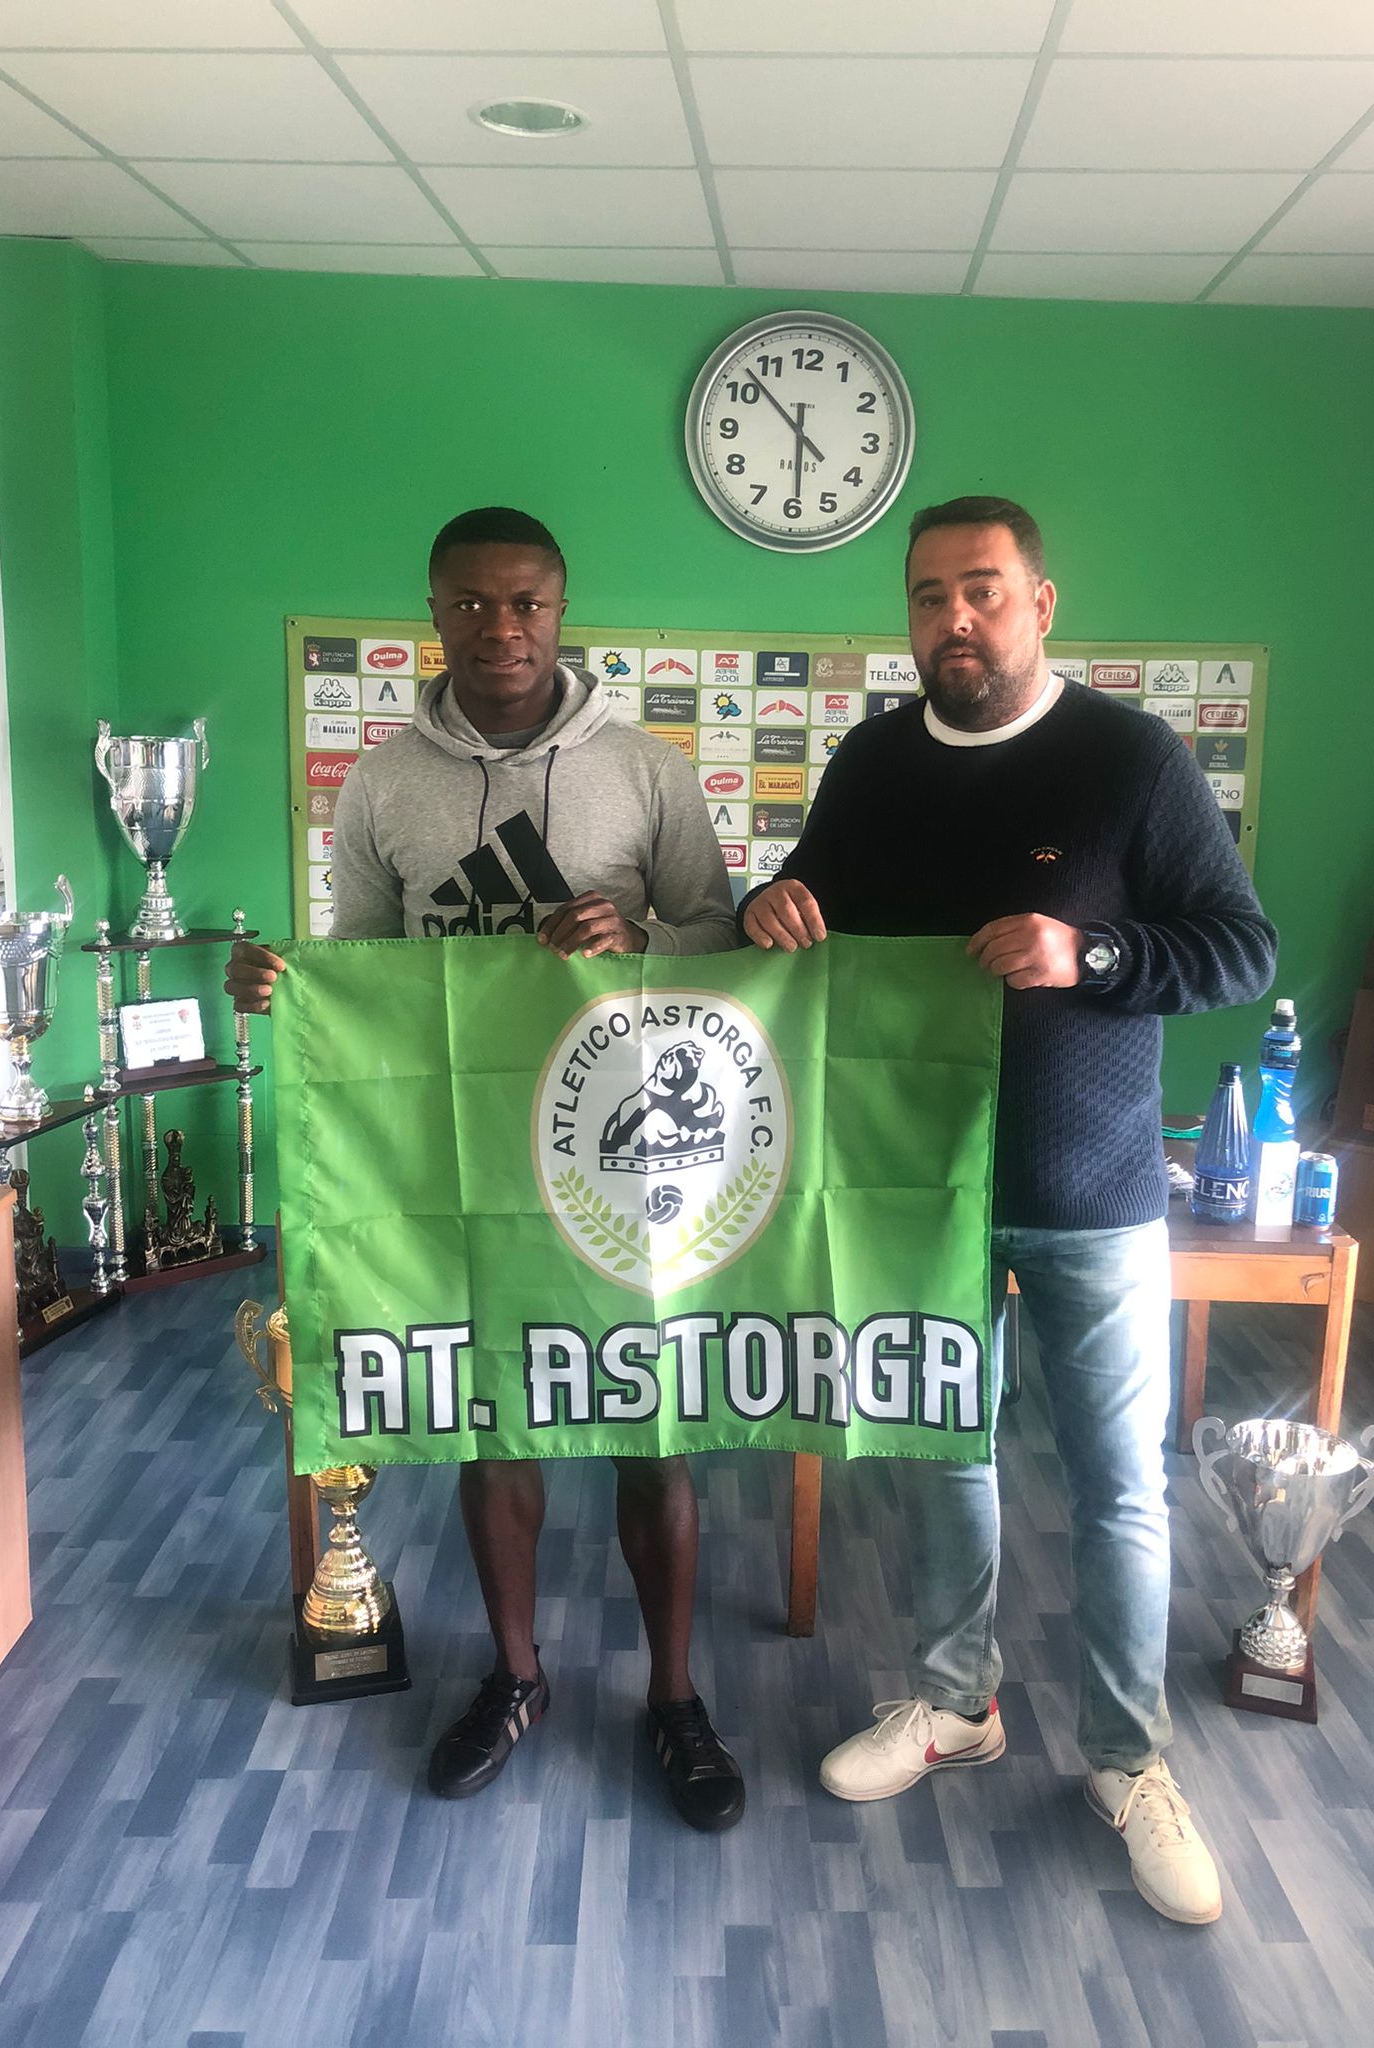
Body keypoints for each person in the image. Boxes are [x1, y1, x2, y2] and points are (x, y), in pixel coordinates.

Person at [740, 496, 1277, 1924]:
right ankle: (952, 1704)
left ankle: (1128, 1761)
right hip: (922, 1187)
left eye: (982, 591)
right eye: (928, 597)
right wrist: (766, 909)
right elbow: (806, 907)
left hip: (1095, 1193)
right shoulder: (871, 761)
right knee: (942, 1459)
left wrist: (1089, 949)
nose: (953, 620)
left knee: (1118, 1491)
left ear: (1041, 602)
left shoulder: (1131, 760)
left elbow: (1238, 947)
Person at [227, 506, 745, 1832]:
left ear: (561, 611)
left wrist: (637, 929)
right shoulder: (384, 783)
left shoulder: (644, 770)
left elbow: (718, 939)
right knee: (493, 1416)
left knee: (653, 1427)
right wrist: (290, 983)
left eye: (525, 604)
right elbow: (363, 969)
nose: (499, 629)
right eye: (470, 605)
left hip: (623, 1157)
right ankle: (515, 1678)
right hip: (457, 1161)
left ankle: (675, 1697)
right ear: (436, 611)